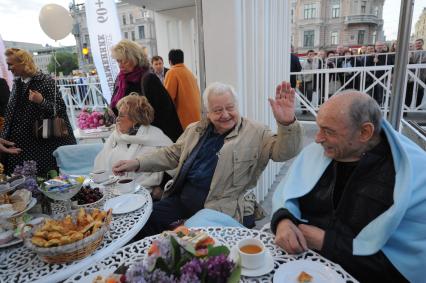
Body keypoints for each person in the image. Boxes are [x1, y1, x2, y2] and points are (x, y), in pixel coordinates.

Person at [113, 81, 303, 237]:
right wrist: (137, 163)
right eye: (217, 110)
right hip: (181, 198)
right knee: (142, 223)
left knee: (189, 243)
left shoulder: (257, 132)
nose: (225, 114)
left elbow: (283, 152)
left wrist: (286, 123)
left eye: (230, 107)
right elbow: (171, 154)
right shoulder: (195, 130)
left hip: (219, 207)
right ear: (207, 112)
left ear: (237, 106)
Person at [271, 90, 426, 283]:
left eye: (328, 131)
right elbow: (286, 196)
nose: (317, 138)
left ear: (365, 132)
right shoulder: (318, 152)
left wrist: (326, 242)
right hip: (297, 269)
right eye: (319, 128)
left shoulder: (414, 177)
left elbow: (404, 269)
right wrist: (283, 221)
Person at [2, 48, 76, 175]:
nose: (9, 68)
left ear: (23, 63)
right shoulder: (17, 82)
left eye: (11, 64)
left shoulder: (45, 81)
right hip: (20, 145)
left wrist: (41, 101)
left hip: (41, 146)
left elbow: (60, 109)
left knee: (41, 180)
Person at [94, 95, 173, 195]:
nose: (117, 119)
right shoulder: (115, 136)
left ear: (135, 119)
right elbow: (101, 166)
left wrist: (159, 190)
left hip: (144, 195)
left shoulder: (157, 138)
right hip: (112, 192)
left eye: (121, 115)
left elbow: (174, 168)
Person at [110, 40, 183, 142]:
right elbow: (115, 107)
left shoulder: (148, 79)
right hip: (130, 137)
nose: (120, 65)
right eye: (118, 61)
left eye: (124, 61)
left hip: (151, 140)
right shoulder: (120, 79)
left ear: (135, 58)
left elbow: (163, 114)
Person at [164, 49, 201, 129]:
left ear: (170, 61)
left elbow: (168, 99)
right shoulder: (189, 72)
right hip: (196, 118)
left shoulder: (172, 72)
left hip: (184, 121)